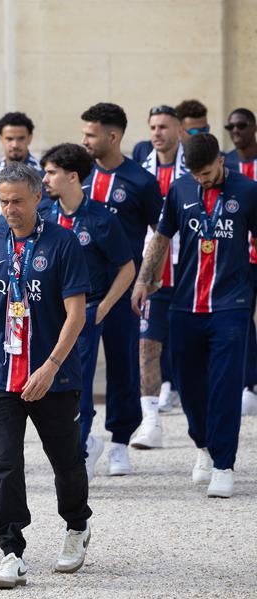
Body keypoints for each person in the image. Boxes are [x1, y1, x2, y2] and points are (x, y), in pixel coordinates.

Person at [0, 162, 93, 589]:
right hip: (1, 375)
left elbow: (76, 314)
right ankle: (11, 550)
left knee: (65, 459)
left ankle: (77, 525)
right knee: (5, 464)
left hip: (53, 376)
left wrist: (51, 365)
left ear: (39, 196)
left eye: (18, 201)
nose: (10, 209)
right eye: (3, 202)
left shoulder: (62, 243)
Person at [133, 133, 257, 499]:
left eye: (206, 173)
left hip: (231, 305)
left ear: (220, 160)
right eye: (196, 174)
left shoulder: (248, 191)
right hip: (185, 303)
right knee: (188, 385)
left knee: (224, 384)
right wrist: (143, 280)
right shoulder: (180, 189)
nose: (202, 180)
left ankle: (223, 464)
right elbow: (161, 236)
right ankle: (203, 446)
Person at [40, 144, 135, 481]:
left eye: (51, 172)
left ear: (72, 176)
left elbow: (127, 267)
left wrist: (104, 309)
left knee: (74, 385)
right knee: (51, 387)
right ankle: (80, 448)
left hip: (86, 312)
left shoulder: (101, 218)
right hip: (47, 314)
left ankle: (76, 458)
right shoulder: (43, 214)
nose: (45, 178)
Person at [80, 102, 164, 477]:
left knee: (122, 367)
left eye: (91, 134)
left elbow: (161, 235)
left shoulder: (141, 181)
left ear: (112, 137)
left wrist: (146, 280)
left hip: (123, 291)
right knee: (75, 369)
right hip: (79, 292)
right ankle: (82, 441)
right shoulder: (76, 175)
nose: (84, 140)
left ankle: (118, 443)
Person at [130, 105, 186, 449]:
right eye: (152, 126)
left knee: (186, 349)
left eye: (163, 126)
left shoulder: (192, 168)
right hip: (152, 273)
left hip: (189, 269)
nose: (157, 132)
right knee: (147, 347)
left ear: (179, 129)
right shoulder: (141, 170)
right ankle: (150, 422)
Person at [220, 107, 257, 416]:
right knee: (242, 320)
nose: (235, 130)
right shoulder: (227, 163)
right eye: (229, 126)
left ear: (254, 127)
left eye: (241, 125)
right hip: (238, 257)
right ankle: (249, 383)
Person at [0, 112, 42, 219]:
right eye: (9, 139)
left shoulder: (44, 177)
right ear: (1, 139)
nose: (15, 144)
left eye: (21, 138)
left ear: (30, 138)